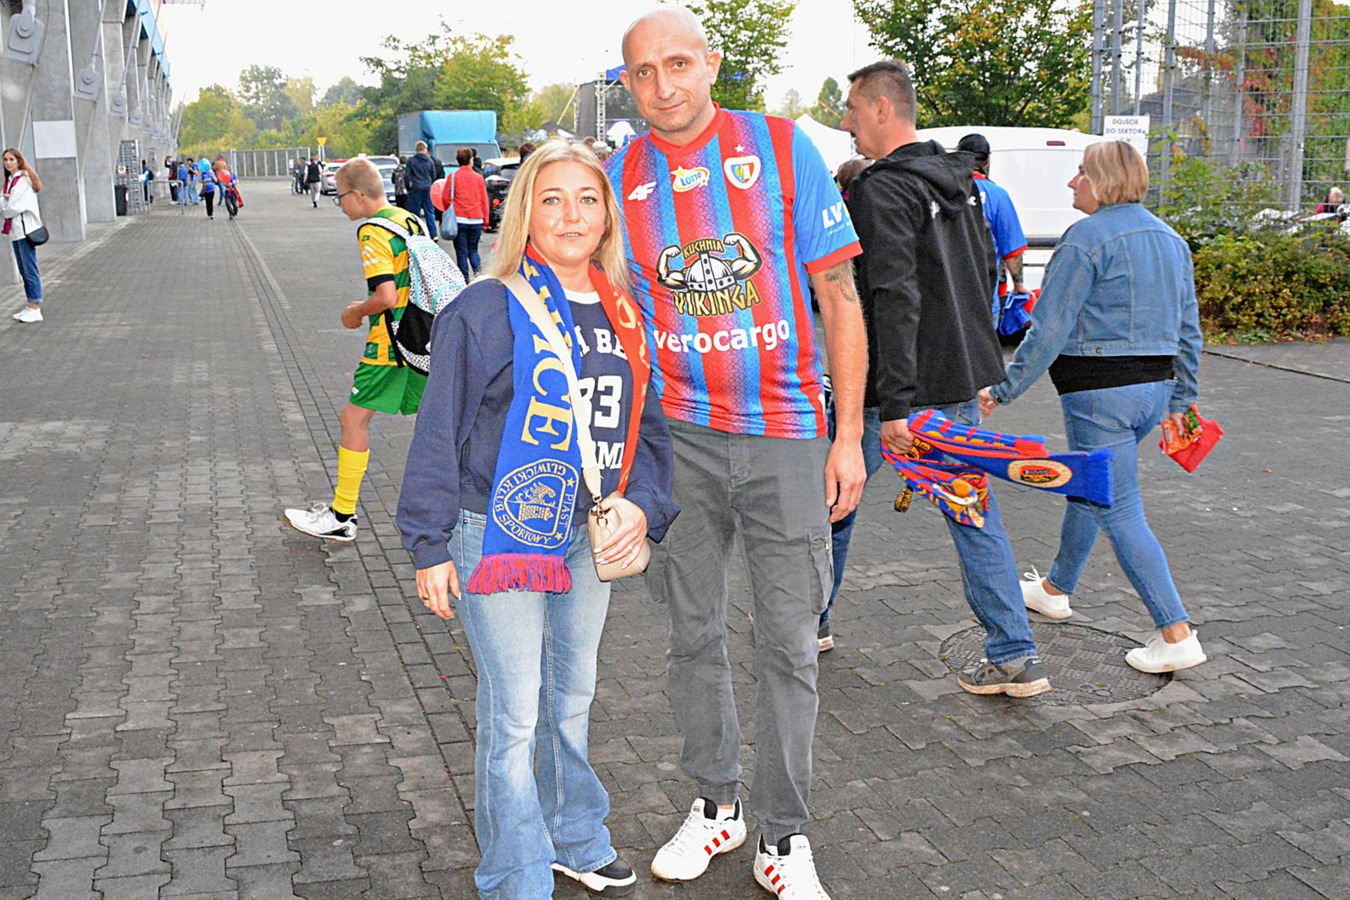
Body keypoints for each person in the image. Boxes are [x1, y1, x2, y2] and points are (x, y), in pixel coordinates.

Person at [609, 9, 868, 897]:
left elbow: (840, 295)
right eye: (643, 73)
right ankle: (717, 805)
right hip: (677, 440)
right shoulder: (622, 175)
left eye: (678, 63)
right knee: (692, 635)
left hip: (788, 436)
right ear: (628, 83)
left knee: (789, 645)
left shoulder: (783, 148)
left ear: (711, 63)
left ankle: (783, 837)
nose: (663, 86)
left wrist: (847, 436)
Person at [398, 140, 677, 900]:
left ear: (607, 216)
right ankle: (516, 876)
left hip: (588, 537)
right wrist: (427, 543)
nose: (571, 215)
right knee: (515, 715)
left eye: (587, 199)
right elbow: (438, 430)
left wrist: (645, 505)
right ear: (525, 211)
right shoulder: (484, 308)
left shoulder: (626, 310)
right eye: (552, 199)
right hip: (495, 534)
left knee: (572, 699)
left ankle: (575, 836)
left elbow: (648, 431)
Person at [839, 60, 1051, 699]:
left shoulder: (880, 190)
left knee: (836, 499)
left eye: (852, 108)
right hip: (955, 382)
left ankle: (804, 625)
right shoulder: (964, 185)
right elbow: (981, 278)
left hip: (898, 393)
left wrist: (894, 405)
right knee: (973, 516)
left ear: (882, 108)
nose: (846, 122)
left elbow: (893, 297)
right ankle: (1015, 655)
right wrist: (983, 372)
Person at [978, 140, 1208, 675]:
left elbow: (1048, 328)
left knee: (1119, 509)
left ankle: (1175, 633)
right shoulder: (1171, 240)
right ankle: (1056, 589)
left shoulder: (1085, 239)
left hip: (1099, 394)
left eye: (1080, 172)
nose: (1072, 182)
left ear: (1103, 180)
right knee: (1090, 485)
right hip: (1154, 393)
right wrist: (1182, 399)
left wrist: (1002, 389)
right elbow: (1189, 330)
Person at [284, 159, 429, 543]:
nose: (340, 204)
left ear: (359, 195)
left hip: (390, 345)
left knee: (352, 419)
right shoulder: (409, 219)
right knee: (434, 421)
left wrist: (356, 312)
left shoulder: (372, 230)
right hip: (424, 338)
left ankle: (342, 515)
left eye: (341, 197)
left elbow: (386, 296)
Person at [957, 133, 1029, 320]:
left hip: (948, 297)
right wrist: (1019, 285)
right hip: (985, 297)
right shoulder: (998, 195)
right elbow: (1012, 250)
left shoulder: (944, 192)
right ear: (987, 160)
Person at [2, 148, 45, 324]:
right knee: (23, 270)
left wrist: (5, 202)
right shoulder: (10, 181)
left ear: (19, 161)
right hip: (16, 231)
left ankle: (35, 307)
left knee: (29, 269)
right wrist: (5, 201)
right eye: (5, 160)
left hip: (25, 231)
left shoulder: (22, 180)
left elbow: (12, 207)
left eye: (12, 159)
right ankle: (30, 304)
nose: (8, 163)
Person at [445, 146, 490, 281]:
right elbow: (484, 200)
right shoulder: (478, 178)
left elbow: (446, 198)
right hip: (476, 219)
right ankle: (479, 276)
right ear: (471, 160)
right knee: (473, 250)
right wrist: (486, 220)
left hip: (459, 219)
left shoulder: (453, 177)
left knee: (461, 253)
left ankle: (464, 280)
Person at [405, 141, 439, 239]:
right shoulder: (429, 161)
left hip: (416, 188)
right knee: (429, 212)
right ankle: (433, 234)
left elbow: (407, 176)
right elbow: (433, 176)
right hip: (428, 188)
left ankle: (417, 233)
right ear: (424, 150)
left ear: (416, 149)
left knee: (415, 213)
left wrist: (408, 188)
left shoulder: (411, 161)